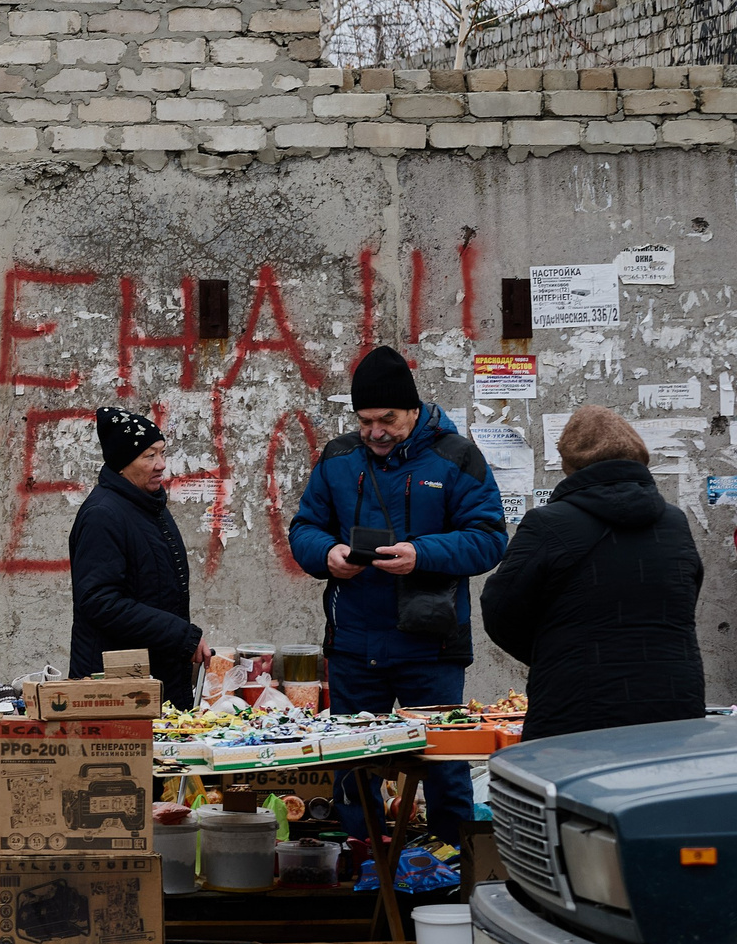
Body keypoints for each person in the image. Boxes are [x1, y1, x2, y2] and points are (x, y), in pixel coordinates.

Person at [288, 345, 508, 842]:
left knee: (444, 767)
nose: (376, 432)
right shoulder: (338, 458)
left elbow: (491, 538)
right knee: (352, 767)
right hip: (353, 644)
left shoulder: (457, 457)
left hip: (431, 646)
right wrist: (326, 554)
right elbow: (304, 527)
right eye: (365, 421)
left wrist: (422, 554)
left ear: (414, 410)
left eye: (388, 419)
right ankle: (366, 867)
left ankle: (454, 868)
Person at [482, 405, 706, 741]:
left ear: (569, 465)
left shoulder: (548, 524)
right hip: (674, 701)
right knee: (660, 790)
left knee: (572, 792)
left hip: (576, 703)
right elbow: (686, 596)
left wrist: (554, 655)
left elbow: (499, 610)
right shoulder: (674, 522)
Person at [68, 407, 207, 705]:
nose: (161, 465)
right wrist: (180, 635)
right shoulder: (103, 514)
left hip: (152, 675)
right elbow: (99, 601)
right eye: (149, 456)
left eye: (161, 453)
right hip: (114, 688)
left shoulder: (147, 505)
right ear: (122, 463)